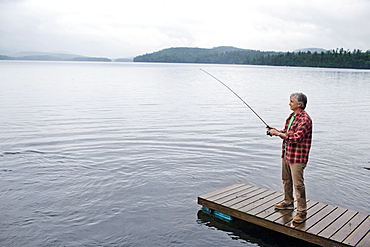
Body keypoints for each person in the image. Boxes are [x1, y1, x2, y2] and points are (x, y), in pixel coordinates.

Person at [268, 92, 312, 223]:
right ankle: (288, 202)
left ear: (300, 104)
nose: (289, 103)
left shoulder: (305, 119)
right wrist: (276, 131)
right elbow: (287, 133)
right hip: (287, 154)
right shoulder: (292, 116)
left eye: (291, 101)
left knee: (298, 185)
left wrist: (278, 134)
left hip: (298, 157)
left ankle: (302, 212)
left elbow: (296, 138)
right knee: (286, 179)